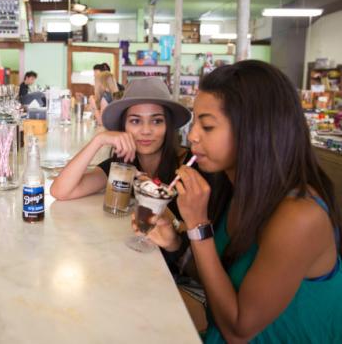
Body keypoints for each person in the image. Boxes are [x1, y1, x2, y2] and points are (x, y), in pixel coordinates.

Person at [141, 60, 342, 342]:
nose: (193, 135)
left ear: (255, 129)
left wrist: (198, 225)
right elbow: (217, 280)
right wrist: (176, 241)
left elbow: (238, 331)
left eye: (207, 126)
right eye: (195, 120)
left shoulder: (301, 216)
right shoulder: (233, 186)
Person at [50, 77, 192, 203]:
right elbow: (60, 191)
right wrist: (98, 141)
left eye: (157, 121)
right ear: (123, 126)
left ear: (168, 125)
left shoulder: (190, 165)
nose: (146, 131)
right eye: (136, 121)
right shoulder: (120, 167)